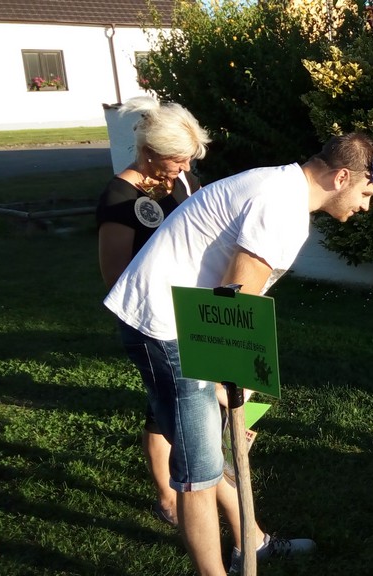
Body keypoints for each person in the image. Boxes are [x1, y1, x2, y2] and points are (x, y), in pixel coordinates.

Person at [103, 132, 373, 576]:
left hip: (173, 317)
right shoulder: (283, 207)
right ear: (341, 177)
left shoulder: (280, 187)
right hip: (168, 328)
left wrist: (227, 388)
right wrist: (230, 385)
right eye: (366, 194)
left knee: (203, 449)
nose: (365, 206)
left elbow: (228, 300)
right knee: (199, 472)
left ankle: (251, 542)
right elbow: (233, 300)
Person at [95, 95, 211, 528]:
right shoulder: (120, 197)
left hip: (189, 309)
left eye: (189, 160)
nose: (185, 168)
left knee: (166, 405)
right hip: (151, 319)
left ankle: (192, 481)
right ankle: (168, 496)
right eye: (177, 160)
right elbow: (114, 275)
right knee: (167, 406)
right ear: (148, 151)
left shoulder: (183, 182)